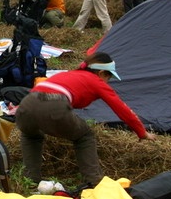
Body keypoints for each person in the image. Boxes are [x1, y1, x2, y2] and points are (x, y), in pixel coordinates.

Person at [15, 52, 157, 188]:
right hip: (54, 105)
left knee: (30, 136)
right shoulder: (96, 81)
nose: (109, 81)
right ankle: (94, 181)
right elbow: (122, 109)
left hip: (26, 105)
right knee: (85, 136)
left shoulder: (69, 74)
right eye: (109, 77)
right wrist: (142, 133)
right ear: (101, 73)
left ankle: (30, 180)